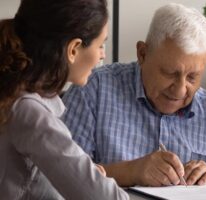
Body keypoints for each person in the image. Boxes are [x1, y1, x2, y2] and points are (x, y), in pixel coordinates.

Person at [61, 3, 206, 187]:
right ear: (142, 53)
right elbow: (59, 176)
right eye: (170, 73)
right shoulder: (93, 90)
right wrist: (131, 172)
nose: (180, 90)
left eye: (192, 77)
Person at [0, 0, 129, 199]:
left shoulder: (14, 95)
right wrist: (90, 182)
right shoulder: (30, 113)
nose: (102, 55)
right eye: (101, 44)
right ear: (73, 49)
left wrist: (88, 175)